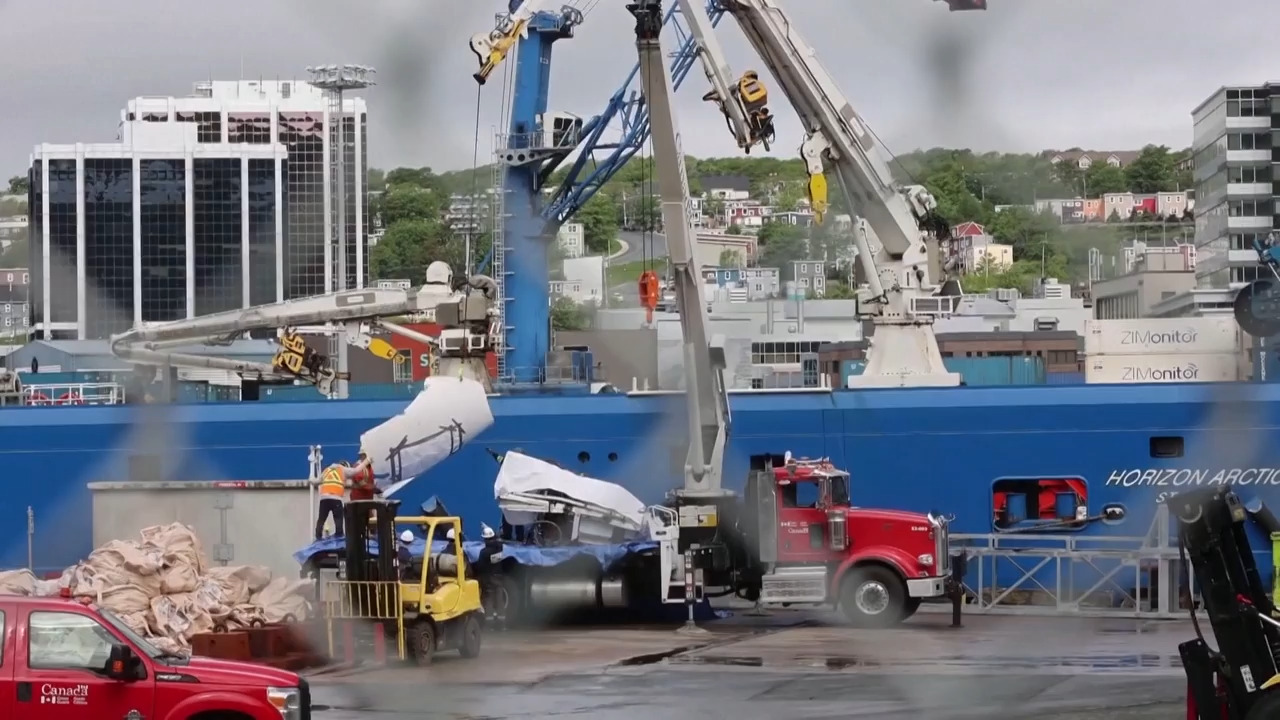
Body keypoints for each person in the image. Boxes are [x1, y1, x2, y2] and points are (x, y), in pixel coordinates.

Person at [312, 455, 373, 542]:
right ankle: (339, 537)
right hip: (336, 498)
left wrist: (311, 480)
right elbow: (356, 470)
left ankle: (318, 537)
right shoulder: (343, 469)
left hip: (324, 498)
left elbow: (317, 481)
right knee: (338, 519)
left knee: (321, 519)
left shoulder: (327, 470)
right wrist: (367, 461)